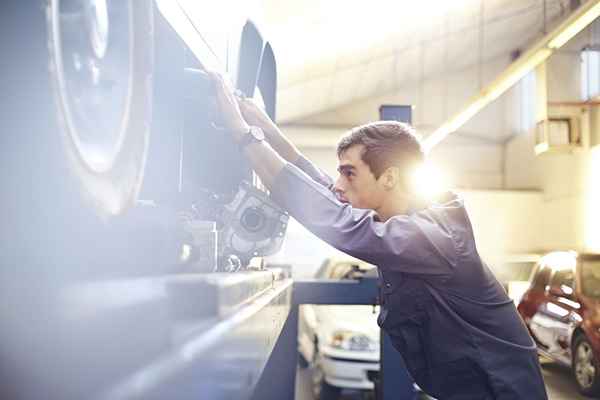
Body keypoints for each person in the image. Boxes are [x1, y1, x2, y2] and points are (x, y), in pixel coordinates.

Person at [207, 72, 548, 400]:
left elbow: (338, 220)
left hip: (500, 390)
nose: (339, 184)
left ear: (388, 178)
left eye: (350, 173)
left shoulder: (433, 236)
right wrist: (263, 125)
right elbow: (325, 189)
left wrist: (243, 133)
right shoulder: (404, 219)